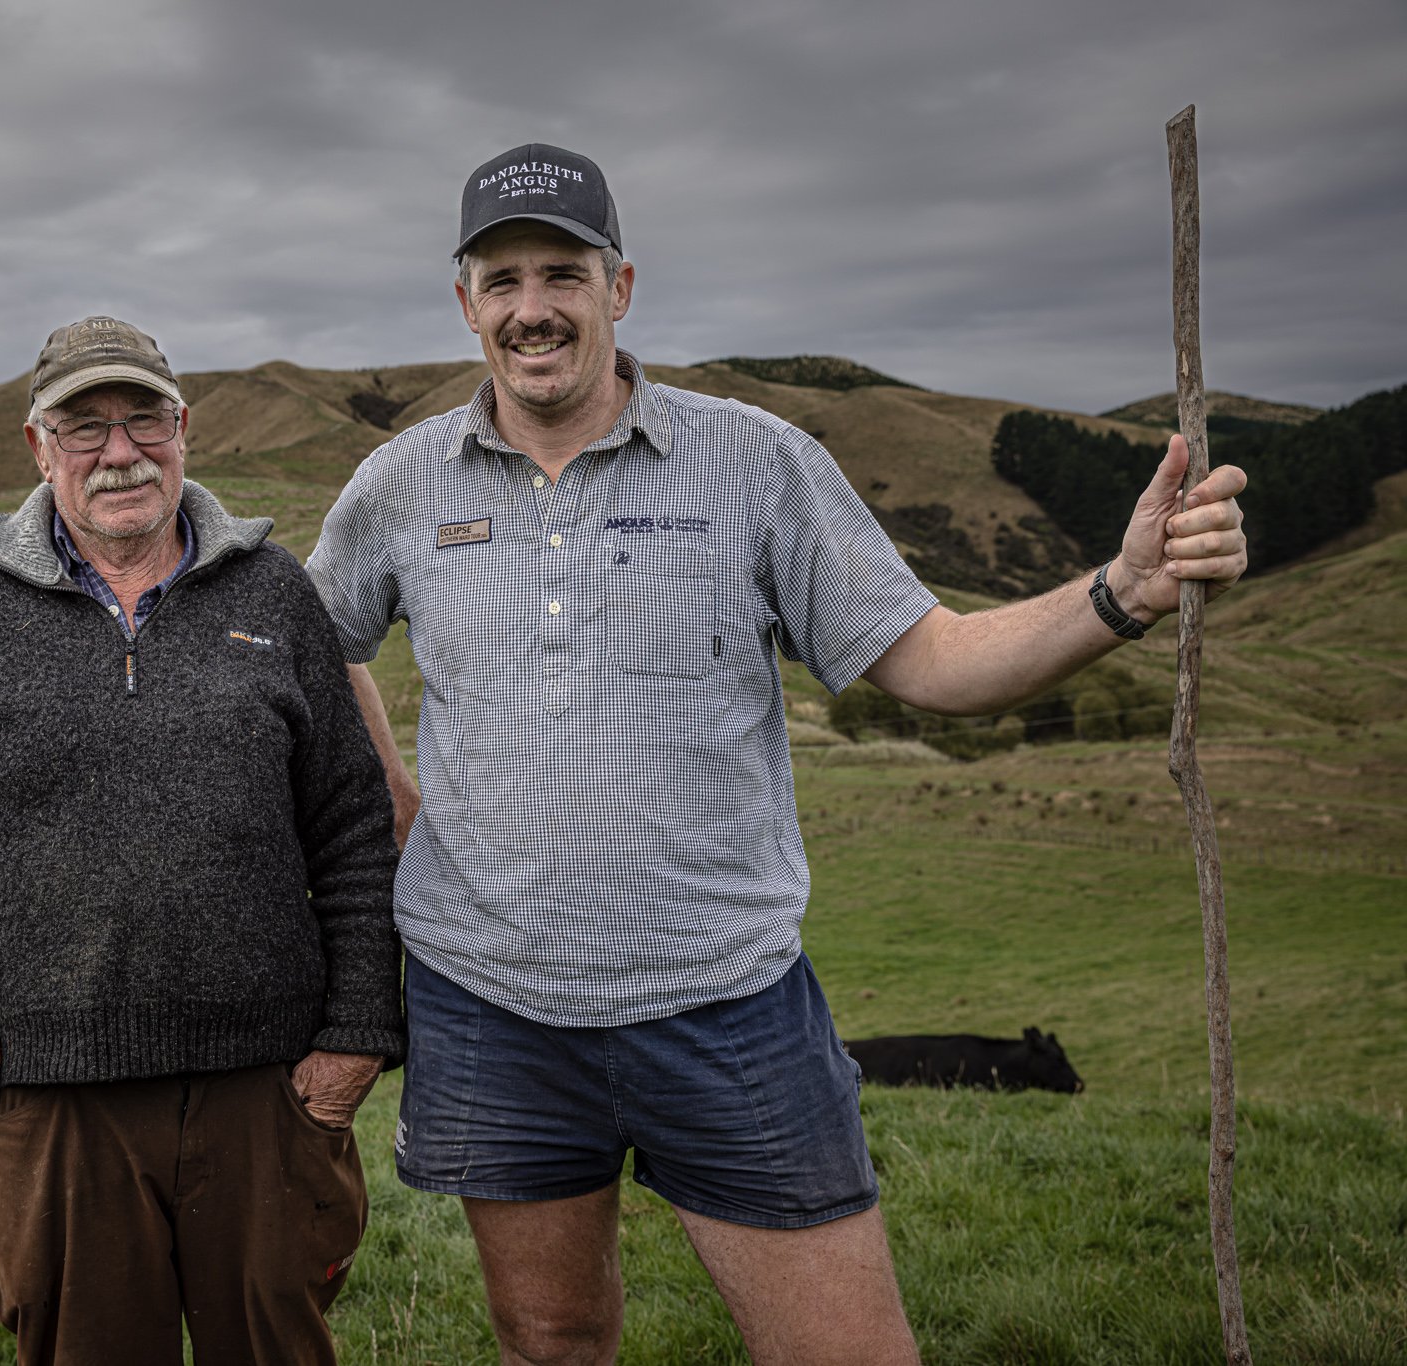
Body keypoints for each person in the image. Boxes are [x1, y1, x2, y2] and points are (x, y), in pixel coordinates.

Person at [306, 144, 1249, 1366]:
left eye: (562, 273)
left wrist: (1118, 591)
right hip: (489, 1002)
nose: (531, 307)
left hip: (725, 1001)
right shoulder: (399, 484)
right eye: (501, 280)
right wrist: (392, 794)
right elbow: (312, 647)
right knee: (548, 1336)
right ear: (465, 303)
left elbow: (931, 659)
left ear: (618, 287)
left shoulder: (755, 463)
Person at [0, 314, 404, 1366]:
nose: (119, 452)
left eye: (143, 421)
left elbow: (353, 823)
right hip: (51, 1100)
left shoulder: (274, 592)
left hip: (265, 1090)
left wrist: (358, 1030)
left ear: (183, 428)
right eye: (85, 427)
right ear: (39, 447)